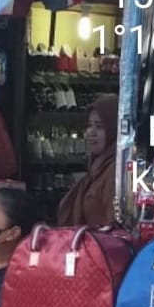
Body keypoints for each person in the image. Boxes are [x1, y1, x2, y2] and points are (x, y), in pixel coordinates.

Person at [57, 94, 118, 227]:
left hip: (101, 245)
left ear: (114, 130)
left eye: (99, 127)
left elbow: (115, 227)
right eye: (89, 125)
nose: (91, 132)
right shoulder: (97, 168)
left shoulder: (114, 172)